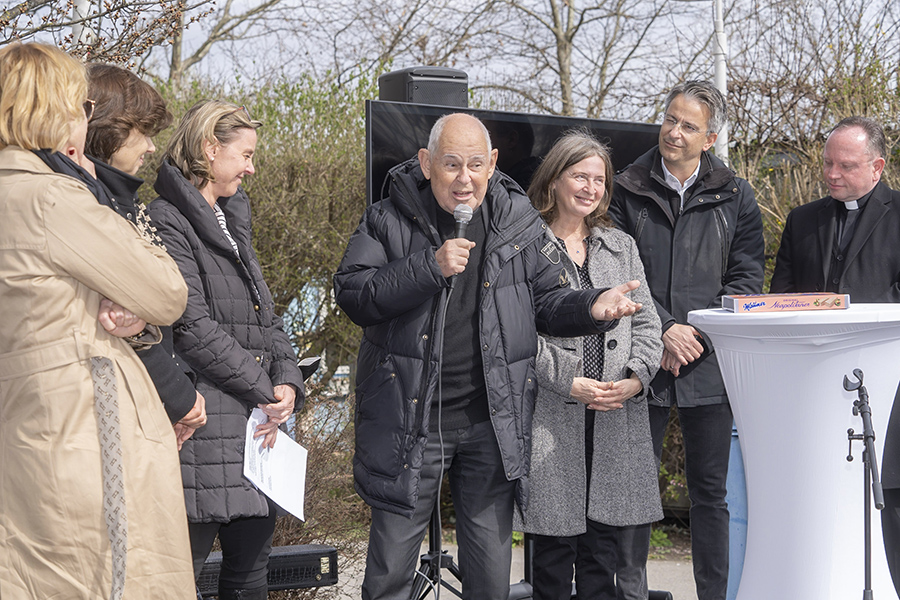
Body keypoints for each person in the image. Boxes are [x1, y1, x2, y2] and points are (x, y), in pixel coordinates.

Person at [334, 112, 644, 600]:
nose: (464, 179)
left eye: (476, 164)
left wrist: (592, 306)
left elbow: (547, 301)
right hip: (411, 422)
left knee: (490, 575)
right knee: (391, 570)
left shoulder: (515, 221)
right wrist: (428, 267)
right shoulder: (387, 218)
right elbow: (353, 294)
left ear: (493, 162)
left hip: (489, 423)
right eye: (451, 164)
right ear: (426, 163)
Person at [0, 42, 195, 598]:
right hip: (85, 433)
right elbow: (166, 290)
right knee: (109, 579)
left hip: (23, 432)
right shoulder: (53, 199)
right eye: (82, 107)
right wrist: (102, 197)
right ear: (55, 109)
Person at [608, 80, 765, 600]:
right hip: (640, 357)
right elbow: (616, 270)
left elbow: (745, 281)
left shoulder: (738, 196)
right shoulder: (626, 186)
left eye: (688, 125)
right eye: (670, 119)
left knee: (710, 496)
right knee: (633, 491)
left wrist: (692, 333)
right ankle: (630, 594)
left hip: (707, 361)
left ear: (711, 137)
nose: (674, 132)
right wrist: (665, 328)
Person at [147, 100, 306, 600]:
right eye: (245, 154)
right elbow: (191, 325)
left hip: (256, 430)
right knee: (179, 579)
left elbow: (266, 317)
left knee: (250, 575)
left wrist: (289, 384)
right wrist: (264, 389)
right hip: (204, 429)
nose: (252, 167)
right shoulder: (167, 218)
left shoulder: (231, 219)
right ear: (209, 149)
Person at [518, 131, 664, 600]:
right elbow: (516, 334)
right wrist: (568, 381)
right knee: (553, 561)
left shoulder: (620, 245)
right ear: (554, 180)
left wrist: (635, 379)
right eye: (579, 176)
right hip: (552, 419)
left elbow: (649, 326)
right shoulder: (525, 245)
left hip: (614, 418)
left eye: (598, 179)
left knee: (604, 560)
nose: (590, 188)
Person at [768, 116, 900, 593]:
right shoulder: (803, 220)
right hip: (813, 390)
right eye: (827, 163)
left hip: (887, 392)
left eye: (845, 165)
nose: (831, 174)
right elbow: (779, 299)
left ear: (877, 167)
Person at [85, 62, 207, 446]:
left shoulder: (126, 202)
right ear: (111, 131)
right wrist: (179, 397)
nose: (152, 146)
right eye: (144, 133)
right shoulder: (93, 207)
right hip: (116, 409)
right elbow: (125, 320)